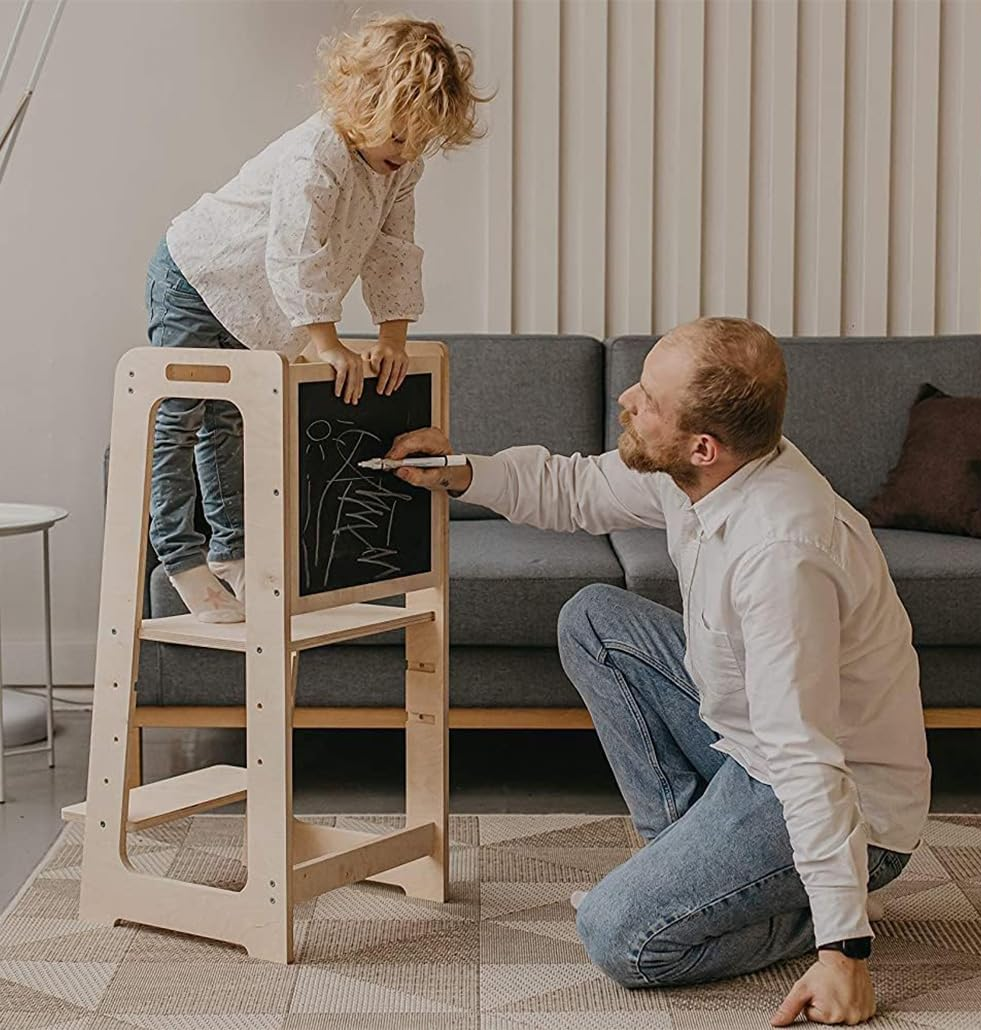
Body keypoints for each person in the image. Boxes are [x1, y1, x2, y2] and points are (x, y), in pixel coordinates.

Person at [386, 316, 931, 1026]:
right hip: (744, 744)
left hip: (842, 800)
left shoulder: (781, 555)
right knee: (595, 620)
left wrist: (843, 954)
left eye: (647, 399)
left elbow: (806, 759)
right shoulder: (708, 471)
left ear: (703, 444)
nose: (627, 402)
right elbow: (574, 488)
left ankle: (834, 905)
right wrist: (459, 472)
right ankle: (687, 866)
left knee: (622, 938)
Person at [145, 15, 487, 622]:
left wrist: (392, 338)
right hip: (199, 279)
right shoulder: (316, 153)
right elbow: (296, 248)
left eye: (421, 141)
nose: (406, 154)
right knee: (181, 417)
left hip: (257, 308)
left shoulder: (401, 169)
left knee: (228, 423)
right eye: (400, 137)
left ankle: (233, 552)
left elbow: (393, 247)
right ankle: (180, 556)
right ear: (363, 102)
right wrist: (325, 341)